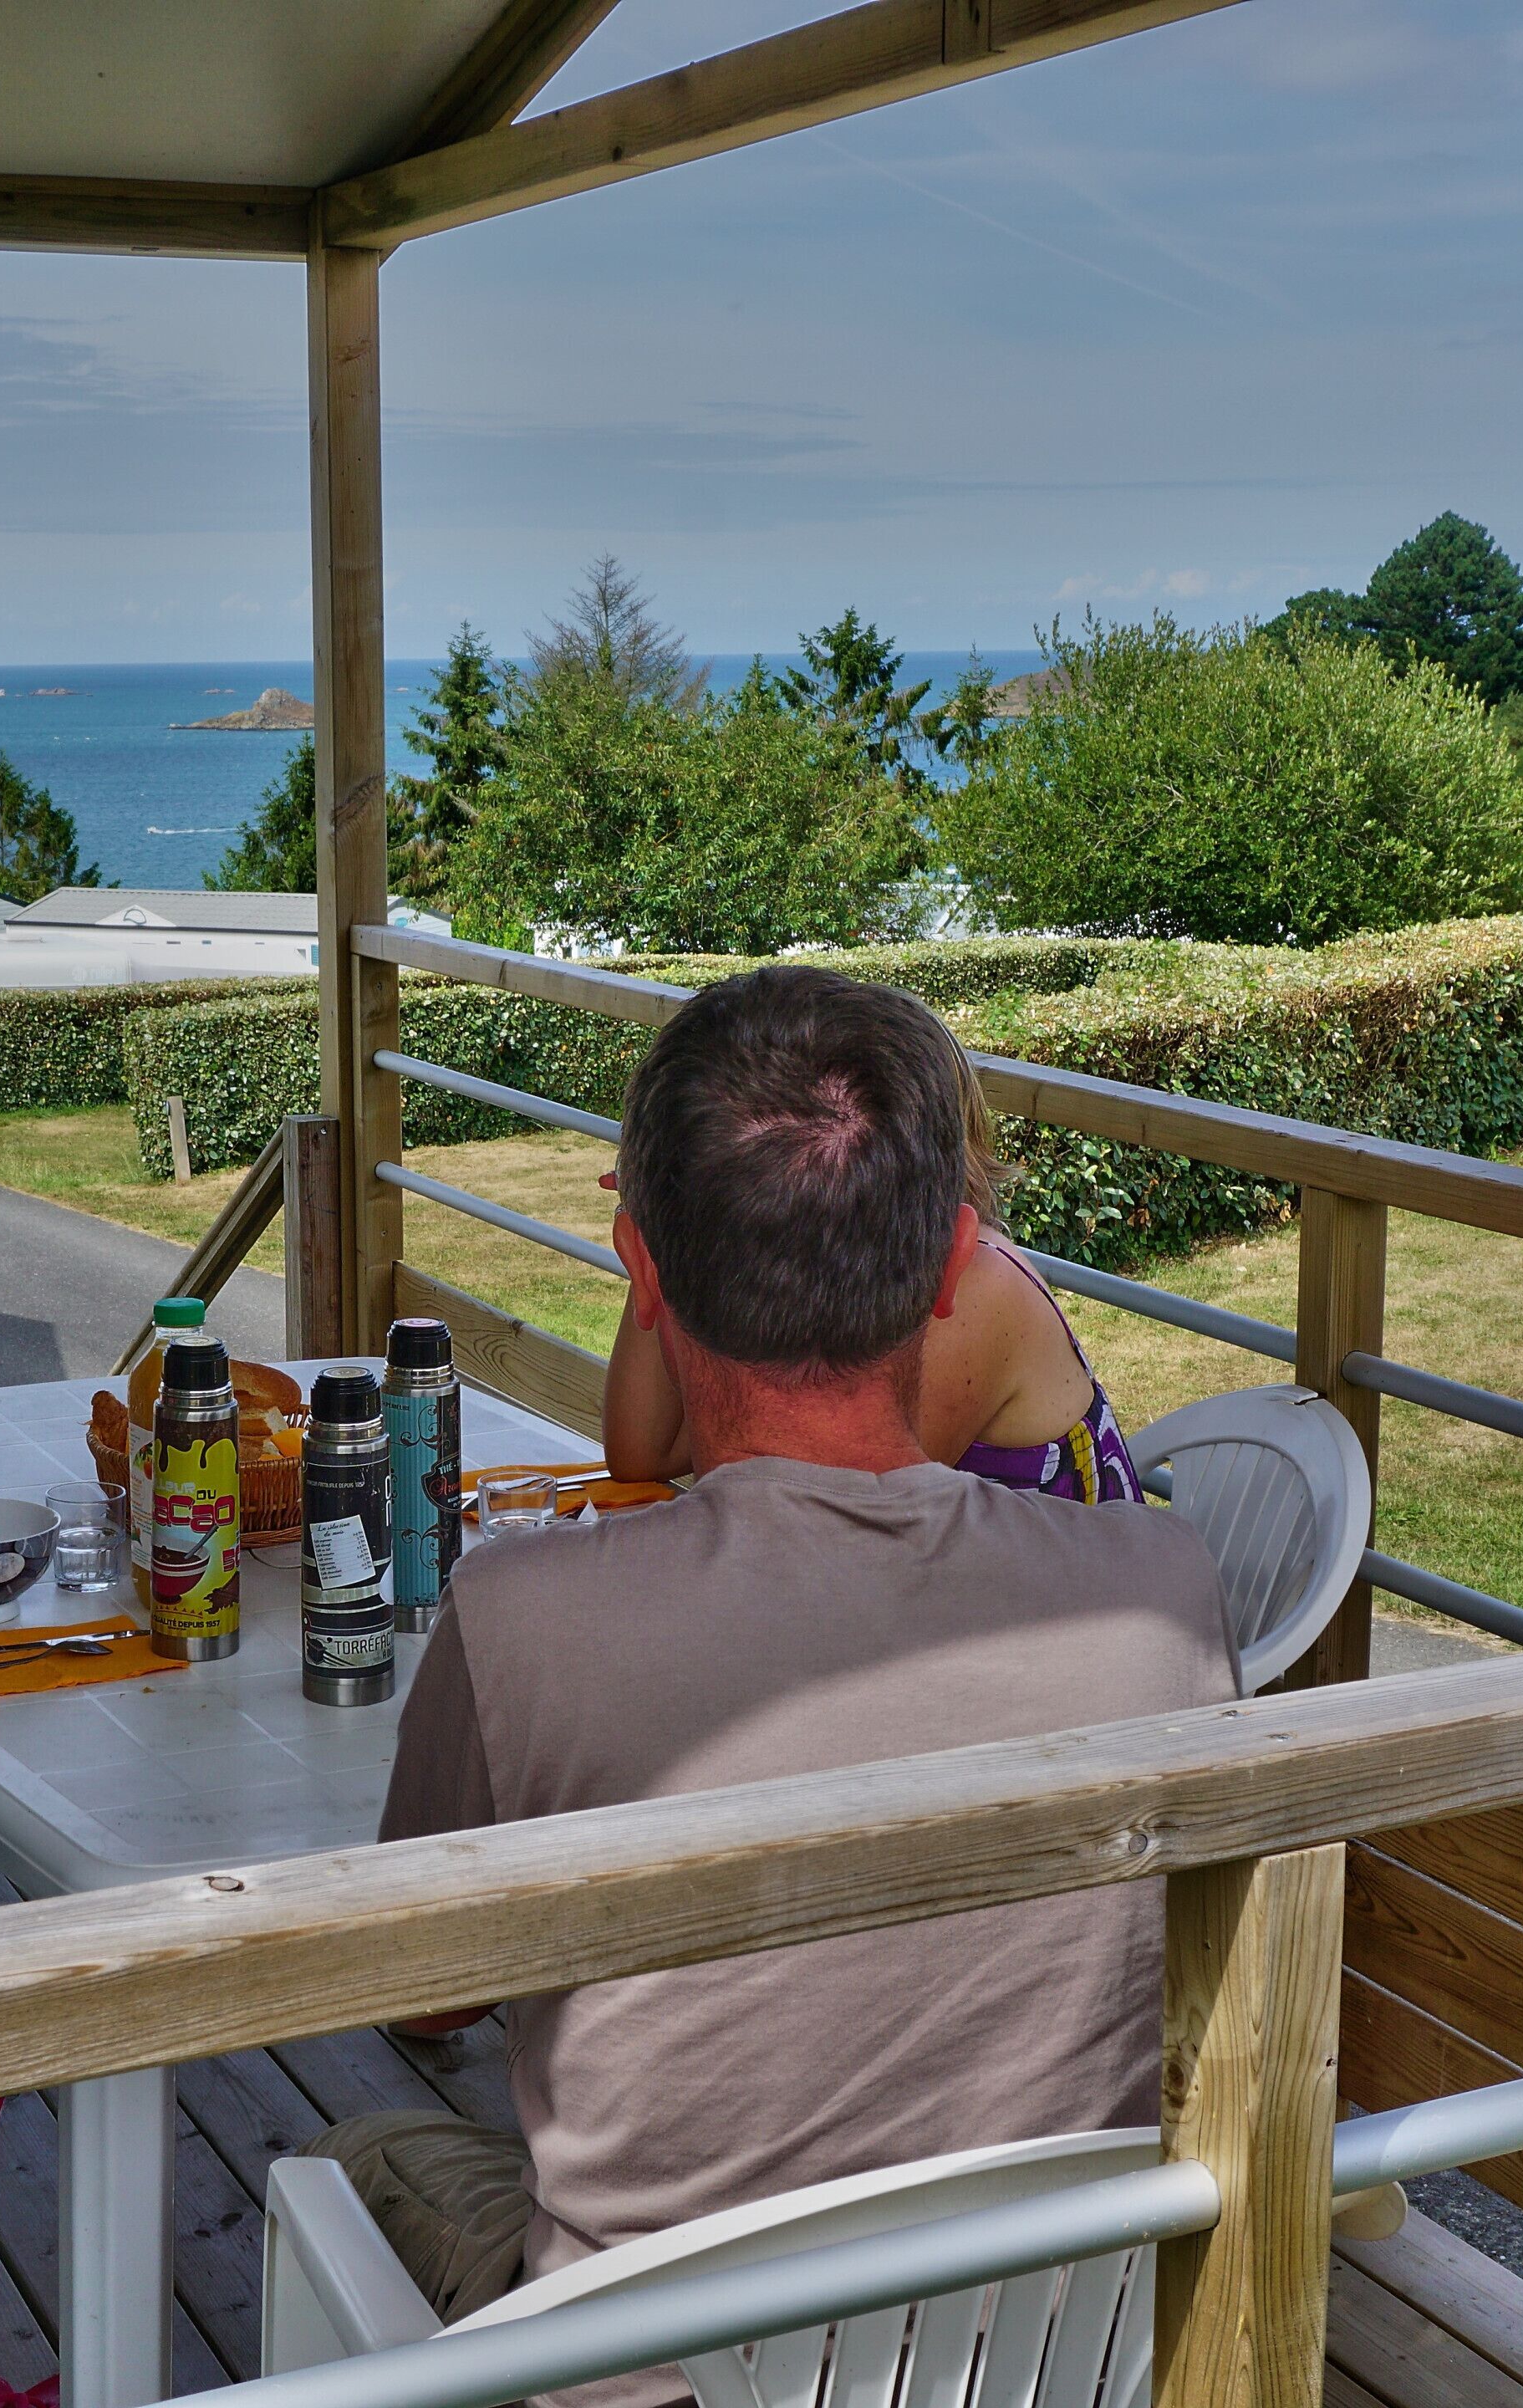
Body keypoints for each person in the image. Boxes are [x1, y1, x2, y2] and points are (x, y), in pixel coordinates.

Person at [318, 966, 1235, 2405]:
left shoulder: (520, 1619)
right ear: (951, 1266)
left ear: (643, 1260)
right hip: (1038, 2355)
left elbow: (426, 2006)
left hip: (662, 2377)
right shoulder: (1164, 1596)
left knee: (353, 2156)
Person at [604, 1023, 1142, 1502]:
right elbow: (641, 1456)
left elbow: (814, 1519)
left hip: (1051, 1606)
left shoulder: (981, 1285)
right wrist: (664, 1214)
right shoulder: (846, 1267)